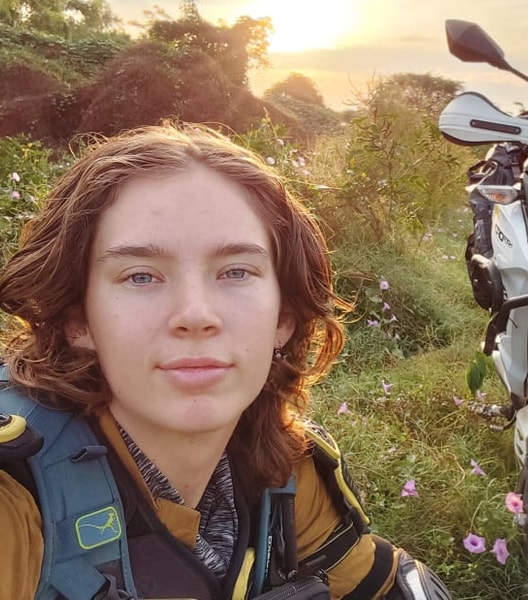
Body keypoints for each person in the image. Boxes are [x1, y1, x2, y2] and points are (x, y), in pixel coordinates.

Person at [0, 122, 451, 600]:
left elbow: (378, 584)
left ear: (284, 316)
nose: (196, 315)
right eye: (140, 276)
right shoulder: (16, 495)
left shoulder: (284, 468)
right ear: (78, 320)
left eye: (236, 271)